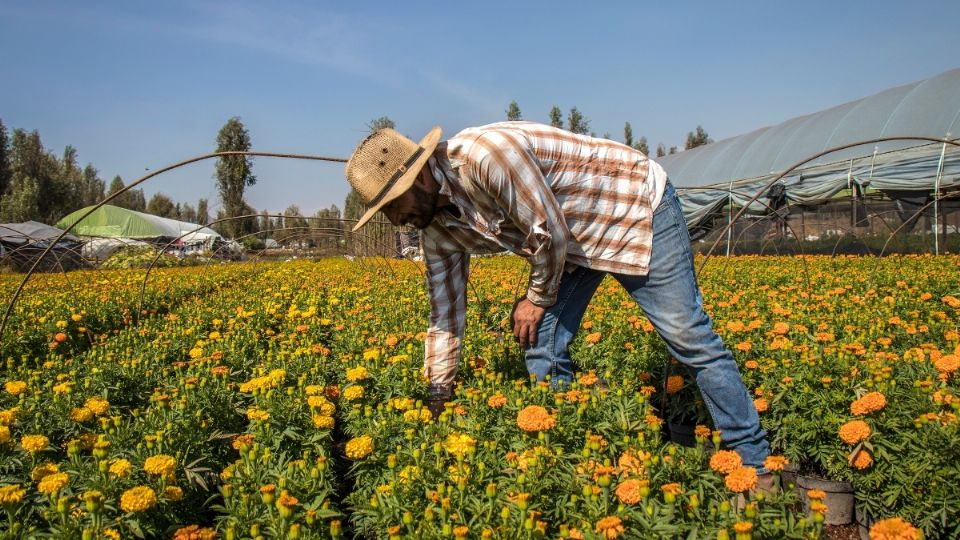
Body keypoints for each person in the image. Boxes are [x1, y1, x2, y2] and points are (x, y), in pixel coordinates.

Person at [344, 121, 772, 480]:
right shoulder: (434, 229)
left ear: (416, 178)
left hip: (632, 207)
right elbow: (446, 310)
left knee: (688, 337)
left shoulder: (486, 156)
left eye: (391, 204)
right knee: (540, 342)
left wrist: (536, 297)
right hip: (570, 244)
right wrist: (439, 390)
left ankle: (755, 464)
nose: (393, 219)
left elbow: (545, 228)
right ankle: (570, 458)